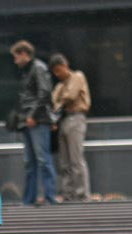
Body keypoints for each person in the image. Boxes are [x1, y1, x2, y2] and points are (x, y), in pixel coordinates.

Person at [10, 40, 58, 206]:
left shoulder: (37, 68)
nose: (15, 60)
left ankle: (49, 197)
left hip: (36, 120)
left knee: (42, 160)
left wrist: (32, 115)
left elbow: (45, 93)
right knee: (31, 162)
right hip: (29, 120)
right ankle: (29, 199)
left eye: (16, 56)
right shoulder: (30, 70)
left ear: (24, 53)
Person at [49, 53, 91, 202]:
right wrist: (58, 103)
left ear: (65, 66)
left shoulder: (77, 76)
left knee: (76, 159)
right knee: (64, 161)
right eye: (55, 71)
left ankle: (82, 194)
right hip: (63, 120)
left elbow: (70, 96)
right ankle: (68, 194)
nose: (57, 74)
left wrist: (59, 103)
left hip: (76, 118)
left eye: (59, 70)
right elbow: (53, 101)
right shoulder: (59, 85)